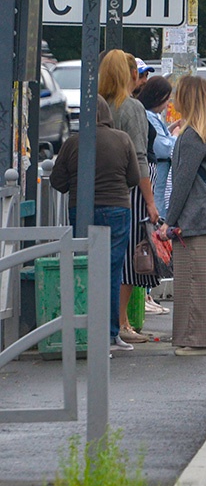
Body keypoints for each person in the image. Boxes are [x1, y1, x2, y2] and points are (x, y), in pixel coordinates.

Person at [50, 96, 140, 353]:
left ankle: (85, 331)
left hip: (82, 211)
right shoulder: (122, 139)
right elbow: (133, 177)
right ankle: (111, 335)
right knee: (111, 272)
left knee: (85, 269)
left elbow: (58, 181)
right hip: (116, 209)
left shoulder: (73, 143)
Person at [99, 50, 159, 344]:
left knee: (101, 261)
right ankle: (119, 325)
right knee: (124, 262)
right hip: (128, 191)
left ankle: (113, 324)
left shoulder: (98, 104)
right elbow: (139, 156)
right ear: (129, 74)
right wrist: (150, 200)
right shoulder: (131, 107)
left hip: (95, 191)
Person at [163, 75, 206, 356]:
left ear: (188, 100)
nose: (174, 100)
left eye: (179, 95)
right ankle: (198, 337)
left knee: (190, 280)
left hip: (191, 216)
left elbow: (182, 183)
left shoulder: (190, 138)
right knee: (201, 278)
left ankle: (199, 340)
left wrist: (169, 220)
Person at [138, 75, 177, 317]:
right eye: (166, 98)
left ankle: (147, 293)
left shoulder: (154, 117)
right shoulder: (149, 117)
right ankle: (144, 293)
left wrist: (170, 132)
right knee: (150, 241)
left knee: (153, 240)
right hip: (156, 184)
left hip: (159, 183)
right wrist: (176, 139)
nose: (167, 103)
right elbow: (163, 147)